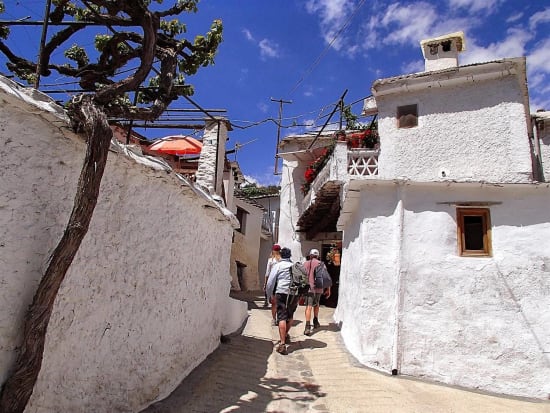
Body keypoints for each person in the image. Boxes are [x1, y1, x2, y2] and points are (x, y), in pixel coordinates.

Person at [265, 247, 298, 355]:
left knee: (282, 317)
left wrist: (269, 295)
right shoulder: (294, 266)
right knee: (290, 316)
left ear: (281, 255)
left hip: (281, 292)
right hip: (294, 294)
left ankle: (283, 343)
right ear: (290, 255)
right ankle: (286, 334)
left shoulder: (278, 266)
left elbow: (270, 282)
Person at [302, 248, 331, 336]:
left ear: (310, 255)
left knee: (308, 306)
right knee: (317, 304)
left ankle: (307, 326)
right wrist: (328, 289)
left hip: (309, 288)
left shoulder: (305, 263)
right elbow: (326, 277)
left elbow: (302, 276)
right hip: (319, 288)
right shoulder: (321, 264)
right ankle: (315, 320)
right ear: (318, 256)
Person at [263, 244, 281, 324]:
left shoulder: (271, 260)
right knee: (280, 301)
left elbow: (267, 273)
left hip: (273, 282)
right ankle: (280, 318)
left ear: (273, 251)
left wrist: (265, 284)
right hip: (281, 282)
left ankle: (274, 319)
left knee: (273, 302)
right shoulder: (283, 260)